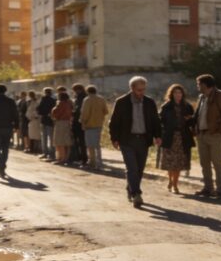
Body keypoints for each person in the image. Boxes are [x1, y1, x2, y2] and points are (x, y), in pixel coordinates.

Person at [108, 76, 162, 208]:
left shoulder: (149, 102)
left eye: (143, 89)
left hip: (143, 140)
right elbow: (114, 122)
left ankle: (130, 188)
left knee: (139, 169)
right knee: (132, 168)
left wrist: (158, 136)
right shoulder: (121, 102)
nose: (141, 92)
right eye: (139, 90)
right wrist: (114, 138)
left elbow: (155, 121)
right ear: (132, 88)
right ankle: (136, 194)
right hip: (127, 139)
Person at [193, 74, 221, 197]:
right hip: (201, 134)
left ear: (205, 85)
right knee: (204, 163)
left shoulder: (220, 95)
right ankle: (208, 188)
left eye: (198, 84)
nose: (197, 86)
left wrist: (219, 130)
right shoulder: (201, 97)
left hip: (214, 135)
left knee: (217, 163)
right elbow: (199, 115)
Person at [160, 84, 196, 194]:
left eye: (180, 92)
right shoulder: (166, 107)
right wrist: (159, 135)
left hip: (183, 137)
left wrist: (189, 119)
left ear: (182, 94)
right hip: (170, 137)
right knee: (170, 163)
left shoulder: (188, 106)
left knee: (179, 163)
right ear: (171, 94)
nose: (178, 95)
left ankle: (175, 184)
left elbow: (192, 122)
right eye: (175, 92)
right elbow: (160, 121)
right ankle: (170, 180)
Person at [80, 85, 109, 170]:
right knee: (97, 145)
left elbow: (85, 114)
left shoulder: (87, 100)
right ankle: (99, 163)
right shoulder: (101, 99)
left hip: (89, 125)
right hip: (99, 124)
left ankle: (92, 162)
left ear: (87, 91)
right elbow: (106, 111)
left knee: (90, 145)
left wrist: (82, 122)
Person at [51, 92, 74, 165]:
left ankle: (61, 158)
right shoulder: (69, 103)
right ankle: (66, 158)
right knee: (66, 141)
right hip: (67, 122)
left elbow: (55, 113)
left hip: (60, 122)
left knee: (60, 141)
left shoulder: (60, 104)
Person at [70, 83, 89, 167]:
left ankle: (83, 159)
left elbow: (79, 110)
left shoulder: (82, 97)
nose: (74, 92)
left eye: (75, 90)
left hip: (79, 122)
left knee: (81, 142)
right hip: (77, 122)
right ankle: (81, 158)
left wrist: (73, 112)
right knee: (80, 142)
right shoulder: (80, 97)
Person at [36, 87, 56, 160]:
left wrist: (42, 113)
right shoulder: (53, 100)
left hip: (44, 120)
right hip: (50, 121)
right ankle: (52, 154)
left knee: (44, 138)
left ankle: (45, 153)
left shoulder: (43, 99)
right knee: (51, 138)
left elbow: (39, 109)